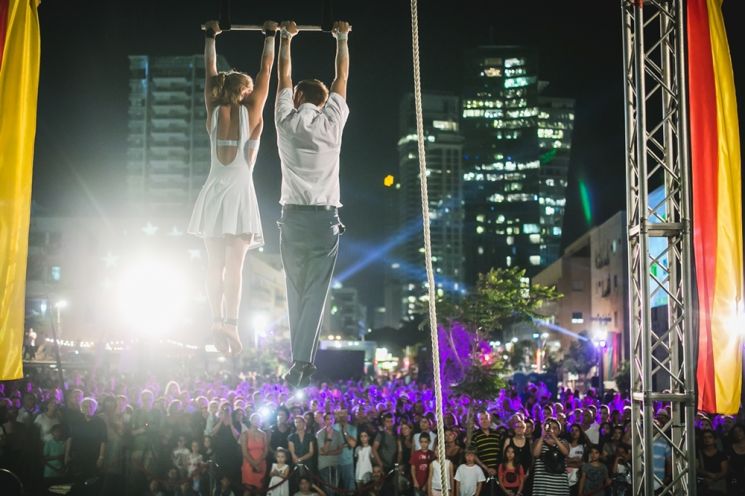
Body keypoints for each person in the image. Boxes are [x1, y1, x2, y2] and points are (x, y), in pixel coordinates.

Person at [187, 18, 278, 355]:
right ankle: (231, 325)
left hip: (214, 189)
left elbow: (209, 68)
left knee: (213, 265)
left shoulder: (213, 108)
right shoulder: (252, 111)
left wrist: (211, 36)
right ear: (244, 91)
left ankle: (214, 319)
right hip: (239, 192)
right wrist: (272, 36)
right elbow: (266, 70)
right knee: (234, 267)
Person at [273, 19, 352, 387]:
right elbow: (342, 77)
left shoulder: (286, 122)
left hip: (293, 219)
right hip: (323, 221)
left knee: (295, 291)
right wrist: (341, 37)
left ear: (299, 99)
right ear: (323, 102)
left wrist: (285, 39)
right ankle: (301, 362)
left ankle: (300, 360)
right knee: (315, 293)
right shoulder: (332, 124)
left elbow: (282, 78)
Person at [531, 418, 570, 496]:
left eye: (555, 428)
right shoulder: (538, 441)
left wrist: (554, 438)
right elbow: (535, 454)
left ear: (559, 431)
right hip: (543, 481)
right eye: (549, 427)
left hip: (559, 482)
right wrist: (543, 436)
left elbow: (566, 453)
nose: (551, 430)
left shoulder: (563, 442)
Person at [241, 413, 268, 494]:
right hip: (248, 463)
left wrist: (258, 462)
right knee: (248, 488)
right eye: (255, 419)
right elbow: (244, 452)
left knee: (259, 488)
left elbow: (266, 450)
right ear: (251, 420)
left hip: (261, 463)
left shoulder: (263, 434)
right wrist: (254, 464)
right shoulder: (245, 434)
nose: (257, 421)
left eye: (258, 420)